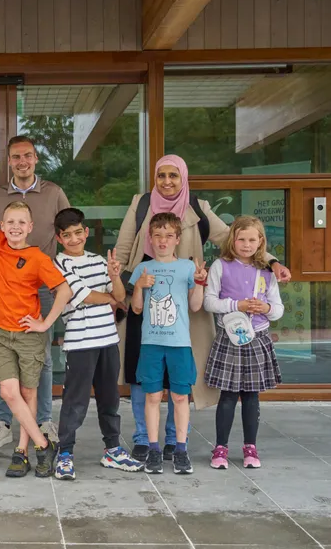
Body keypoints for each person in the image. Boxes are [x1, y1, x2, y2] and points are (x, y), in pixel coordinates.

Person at [114, 154, 292, 463]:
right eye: (162, 176)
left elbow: (234, 239)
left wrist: (272, 262)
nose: (167, 182)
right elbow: (124, 249)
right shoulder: (140, 204)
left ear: (184, 178)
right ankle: (144, 437)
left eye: (174, 176)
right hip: (144, 295)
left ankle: (172, 438)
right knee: (140, 371)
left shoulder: (198, 207)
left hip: (188, 301)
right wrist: (123, 291)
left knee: (180, 374)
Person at [0, 203, 72, 478]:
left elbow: (64, 290)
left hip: (28, 335)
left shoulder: (37, 258)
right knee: (9, 392)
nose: (15, 227)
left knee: (28, 393)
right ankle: (44, 444)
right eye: (10, 221)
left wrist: (46, 324)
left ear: (30, 227)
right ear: (1, 225)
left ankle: (22, 452)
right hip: (1, 333)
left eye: (21, 222)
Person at [0, 135, 70, 450]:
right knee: (6, 355)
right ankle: (4, 421)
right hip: (7, 288)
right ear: (9, 161)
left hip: (43, 285)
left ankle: (44, 420)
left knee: (42, 357)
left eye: (28, 156)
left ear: (36, 159)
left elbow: (67, 231)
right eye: (16, 157)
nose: (22, 162)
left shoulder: (54, 193)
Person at [51, 208, 143, 481]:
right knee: (75, 402)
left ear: (86, 232)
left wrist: (114, 276)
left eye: (78, 232)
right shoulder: (58, 264)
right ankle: (65, 453)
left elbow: (117, 294)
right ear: (59, 238)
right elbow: (84, 296)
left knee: (110, 398)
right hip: (80, 342)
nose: (74, 239)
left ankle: (112, 449)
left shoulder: (100, 260)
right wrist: (111, 298)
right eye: (67, 235)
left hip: (108, 341)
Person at [203, 216, 284, 470]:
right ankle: (220, 447)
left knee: (251, 396)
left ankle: (251, 447)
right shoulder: (220, 266)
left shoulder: (267, 271)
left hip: (257, 338)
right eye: (241, 239)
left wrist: (267, 307)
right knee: (227, 395)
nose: (246, 244)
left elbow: (279, 309)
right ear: (232, 240)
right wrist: (235, 305)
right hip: (229, 338)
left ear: (261, 241)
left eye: (252, 239)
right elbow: (209, 301)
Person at [130, 213, 207, 475]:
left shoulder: (187, 267)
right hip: (151, 343)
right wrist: (139, 286)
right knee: (152, 395)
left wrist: (199, 283)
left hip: (179, 344)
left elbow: (196, 306)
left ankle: (180, 450)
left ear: (177, 239)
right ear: (150, 239)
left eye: (169, 236)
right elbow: (137, 309)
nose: (163, 241)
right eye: (158, 236)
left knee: (180, 396)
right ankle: (153, 449)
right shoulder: (143, 268)